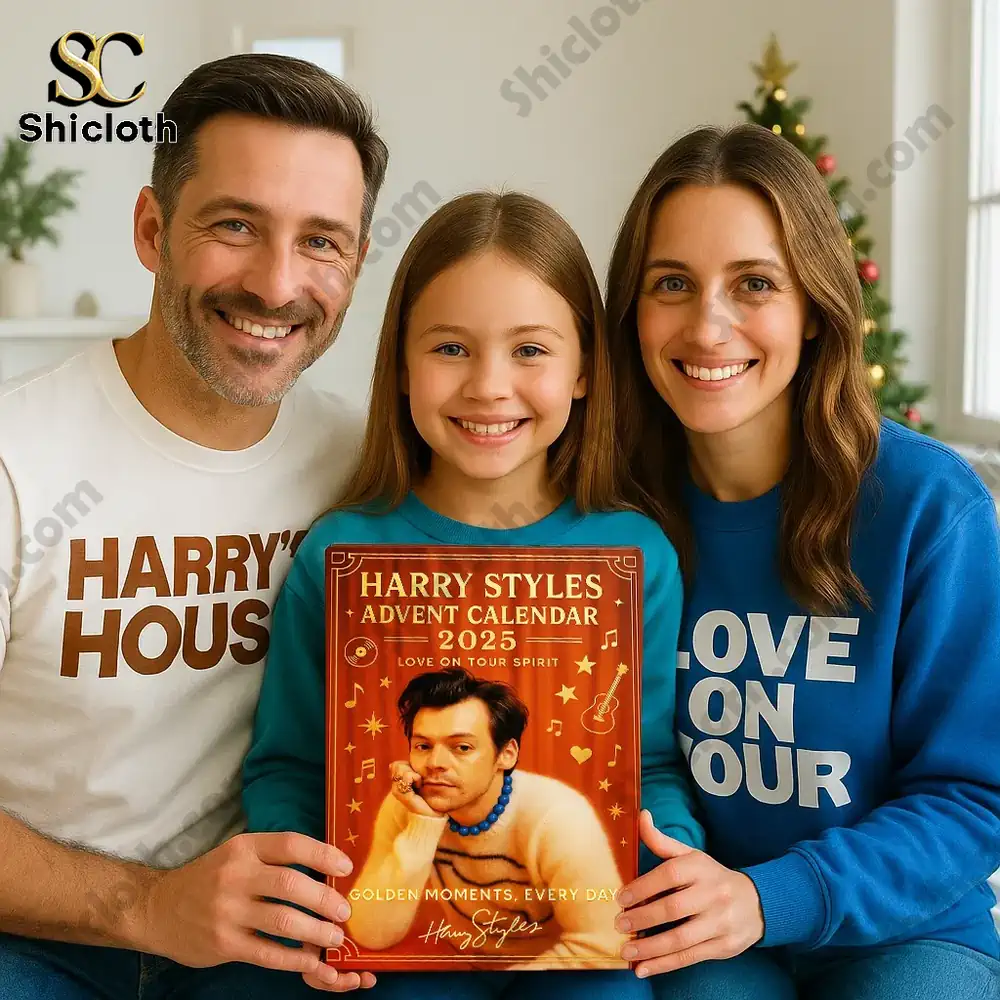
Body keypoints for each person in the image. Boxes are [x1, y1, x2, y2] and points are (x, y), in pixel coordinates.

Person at [241, 189, 704, 999]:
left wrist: (672, 863)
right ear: (402, 365)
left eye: (530, 351)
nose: (490, 386)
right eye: (451, 348)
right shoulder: (340, 553)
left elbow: (651, 761)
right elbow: (287, 763)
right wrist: (305, 900)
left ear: (586, 368)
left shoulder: (636, 554)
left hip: (579, 939)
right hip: (391, 943)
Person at [0, 52, 389, 997]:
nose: (274, 283)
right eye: (235, 226)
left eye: (322, 242)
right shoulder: (18, 459)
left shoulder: (365, 463)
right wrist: (143, 906)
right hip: (37, 938)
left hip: (268, 946)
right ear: (152, 228)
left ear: (357, 263)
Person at [605, 122, 1000, 998]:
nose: (708, 326)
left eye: (754, 284)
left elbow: (976, 797)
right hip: (694, 928)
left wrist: (771, 896)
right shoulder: (608, 515)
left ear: (815, 305)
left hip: (904, 931)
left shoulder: (928, 507)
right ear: (630, 310)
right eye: (671, 283)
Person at [346, 667, 629, 964]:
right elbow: (370, 934)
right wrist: (424, 824)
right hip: (462, 964)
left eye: (462, 747)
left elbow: (604, 945)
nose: (435, 763)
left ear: (506, 754)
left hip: (554, 972)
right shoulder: (408, 804)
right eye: (423, 746)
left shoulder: (559, 817)